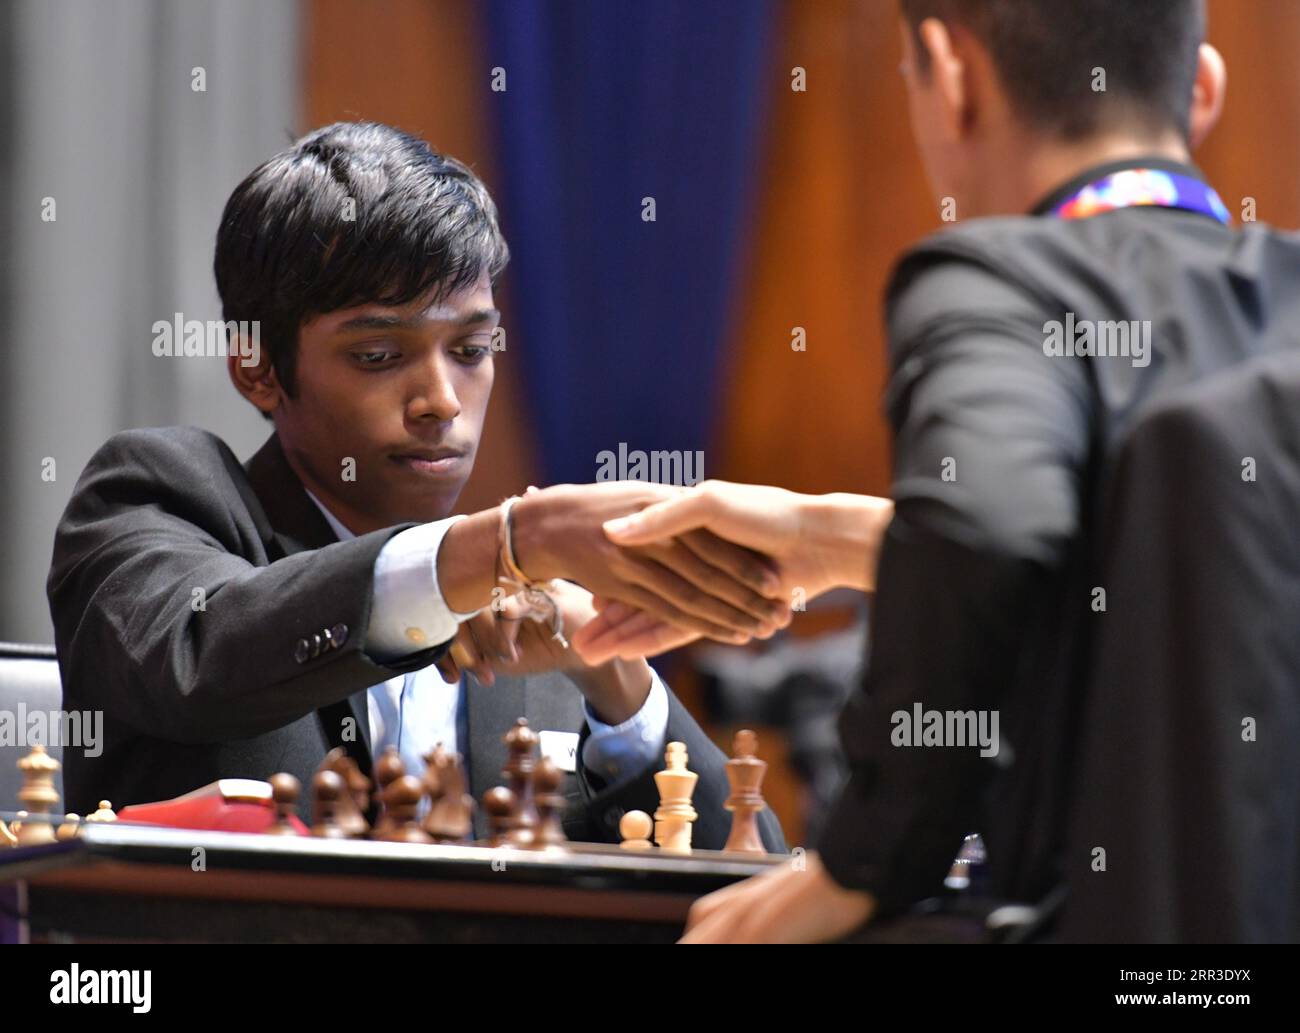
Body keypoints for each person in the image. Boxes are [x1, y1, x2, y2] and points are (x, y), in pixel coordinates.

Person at [582, 0, 1300, 942]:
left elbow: (990, 524)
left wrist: (862, 861)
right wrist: (834, 537)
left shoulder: (999, 280)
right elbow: (1171, 563)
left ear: (948, 73)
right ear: (1201, 88)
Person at [46, 121, 787, 850]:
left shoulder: (538, 627)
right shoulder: (158, 497)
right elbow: (198, 657)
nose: (441, 398)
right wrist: (491, 551)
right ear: (257, 368)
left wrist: (615, 671)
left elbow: (745, 880)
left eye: (470, 348)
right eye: (377, 354)